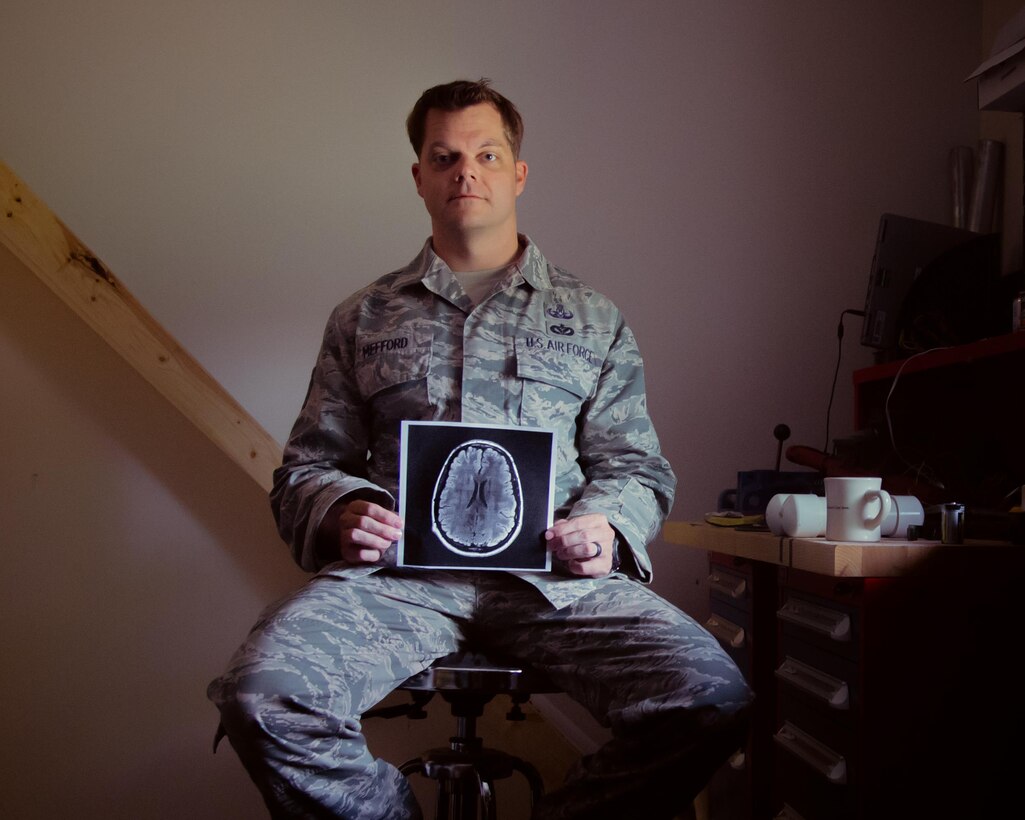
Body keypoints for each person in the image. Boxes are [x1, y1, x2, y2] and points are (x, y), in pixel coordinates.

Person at [208, 78, 752, 820]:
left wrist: (605, 527)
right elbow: (306, 467)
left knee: (713, 699)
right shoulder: (363, 317)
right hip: (398, 580)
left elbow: (635, 465)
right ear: (420, 177)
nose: (466, 171)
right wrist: (344, 510)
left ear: (516, 173)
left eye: (486, 154)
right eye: (445, 156)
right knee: (262, 698)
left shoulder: (590, 318)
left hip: (555, 583)